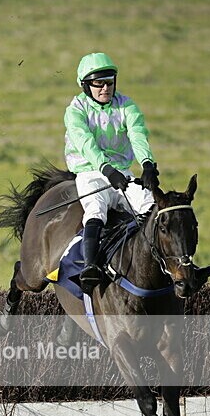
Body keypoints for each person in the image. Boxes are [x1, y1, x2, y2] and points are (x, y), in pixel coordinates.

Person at [64, 52, 160, 294]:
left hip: (122, 173)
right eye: (98, 83)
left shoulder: (127, 105)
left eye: (109, 82)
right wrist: (107, 170)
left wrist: (148, 164)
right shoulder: (75, 110)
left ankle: (169, 265)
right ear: (85, 85)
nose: (105, 88)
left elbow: (138, 135)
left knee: (152, 206)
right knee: (96, 211)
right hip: (90, 173)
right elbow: (86, 144)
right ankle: (90, 267)